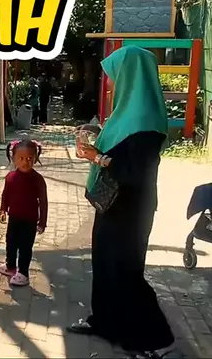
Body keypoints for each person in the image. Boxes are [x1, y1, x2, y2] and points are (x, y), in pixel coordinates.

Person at [70, 46, 182, 359]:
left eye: (115, 76)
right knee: (105, 263)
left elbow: (134, 172)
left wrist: (97, 158)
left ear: (132, 75)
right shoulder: (129, 112)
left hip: (132, 207)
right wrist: (96, 133)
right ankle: (104, 322)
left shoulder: (146, 122)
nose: (110, 82)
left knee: (126, 271)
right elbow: (120, 144)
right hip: (112, 203)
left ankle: (154, 339)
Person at [0, 139, 48, 287]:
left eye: (30, 158)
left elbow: (43, 202)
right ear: (14, 158)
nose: (25, 162)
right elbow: (5, 195)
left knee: (25, 247)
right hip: (14, 218)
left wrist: (42, 222)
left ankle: (23, 273)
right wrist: (3, 210)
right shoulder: (10, 177)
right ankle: (10, 266)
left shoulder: (38, 180)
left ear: (35, 158)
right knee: (10, 243)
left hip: (30, 220)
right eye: (21, 158)